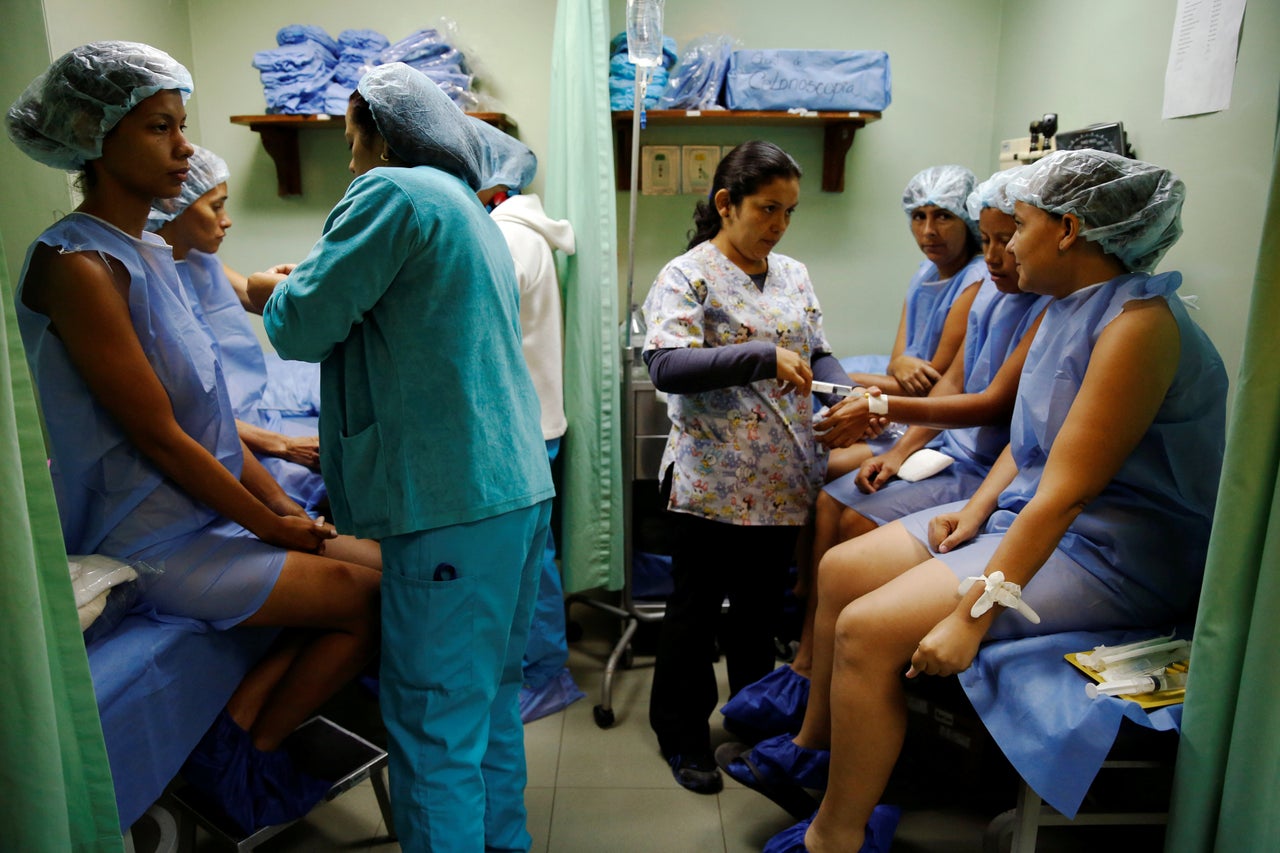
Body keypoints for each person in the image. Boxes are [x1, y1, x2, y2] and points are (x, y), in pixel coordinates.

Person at [717, 149, 1228, 853]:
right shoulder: (1063, 311)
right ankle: (820, 756)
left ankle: (838, 834)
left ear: (1069, 229)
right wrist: (980, 507)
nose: (1007, 247)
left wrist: (972, 611)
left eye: (1016, 225)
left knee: (866, 629)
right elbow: (1033, 442)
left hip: (1117, 554)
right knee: (840, 572)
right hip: (1043, 518)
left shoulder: (1138, 327)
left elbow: (1068, 490)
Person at [5, 41, 381, 835]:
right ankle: (245, 747)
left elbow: (208, 420)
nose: (183, 148)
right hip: (151, 540)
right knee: (366, 601)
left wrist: (283, 503)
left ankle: (238, 722)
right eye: (158, 128)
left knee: (392, 567)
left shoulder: (149, 254)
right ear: (91, 136)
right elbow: (163, 437)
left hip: (208, 516)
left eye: (181, 126)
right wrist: (271, 525)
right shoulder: (74, 263)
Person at [251, 62, 554, 853]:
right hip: (512, 489)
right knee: (487, 703)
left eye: (352, 140)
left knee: (431, 725)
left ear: (382, 133)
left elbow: (299, 326)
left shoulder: (391, 192)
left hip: (451, 500)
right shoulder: (470, 210)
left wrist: (266, 288)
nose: (348, 160)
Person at [721, 167, 1053, 741]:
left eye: (1012, 235)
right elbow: (934, 377)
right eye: (997, 238)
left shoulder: (1031, 300)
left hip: (982, 464)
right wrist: (895, 447)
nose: (1003, 253)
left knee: (847, 519)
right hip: (961, 447)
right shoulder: (973, 291)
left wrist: (882, 410)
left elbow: (994, 411)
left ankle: (817, 679)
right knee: (831, 502)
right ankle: (807, 658)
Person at [640, 139, 856, 795]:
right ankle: (682, 736)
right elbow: (666, 365)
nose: (779, 225)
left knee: (759, 616)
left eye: (789, 211)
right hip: (712, 480)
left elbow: (818, 353)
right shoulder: (687, 276)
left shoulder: (792, 273)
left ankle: (754, 728)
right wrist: (759, 355)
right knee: (695, 612)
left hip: (783, 476)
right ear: (726, 203)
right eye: (767, 208)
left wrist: (846, 396)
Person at [147, 144, 339, 520]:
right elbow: (183, 415)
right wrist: (283, 445)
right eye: (215, 206)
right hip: (219, 433)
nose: (227, 220)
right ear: (174, 206)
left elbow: (262, 299)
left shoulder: (200, 260)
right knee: (336, 480)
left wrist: (310, 282)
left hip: (249, 410)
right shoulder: (149, 283)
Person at [470, 118, 585, 722]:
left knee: (527, 564)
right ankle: (539, 668)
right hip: (530, 426)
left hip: (520, 432)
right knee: (529, 560)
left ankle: (542, 674)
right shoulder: (519, 229)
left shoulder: (507, 238)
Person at [829, 165, 988, 479]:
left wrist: (853, 380)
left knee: (822, 465)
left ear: (968, 220)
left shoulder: (977, 281)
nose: (928, 230)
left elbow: (929, 385)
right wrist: (898, 365)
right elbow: (896, 364)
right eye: (918, 216)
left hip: (932, 422)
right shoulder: (924, 274)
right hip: (902, 404)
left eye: (943, 216)